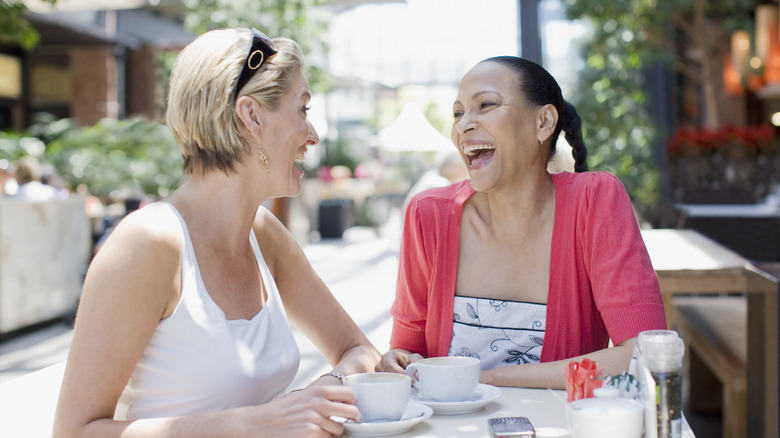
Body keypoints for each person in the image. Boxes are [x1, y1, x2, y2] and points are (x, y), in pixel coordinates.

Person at [54, 28, 380, 437]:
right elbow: (75, 431)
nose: (312, 135)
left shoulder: (264, 235)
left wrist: (319, 395)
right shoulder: (148, 244)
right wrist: (260, 422)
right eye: (303, 109)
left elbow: (360, 351)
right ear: (252, 117)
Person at [376, 56, 667, 389]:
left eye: (485, 105)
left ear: (543, 122)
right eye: (458, 113)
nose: (463, 126)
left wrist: (488, 380)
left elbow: (646, 354)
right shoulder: (428, 214)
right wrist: (397, 360)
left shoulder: (593, 201)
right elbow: (408, 350)